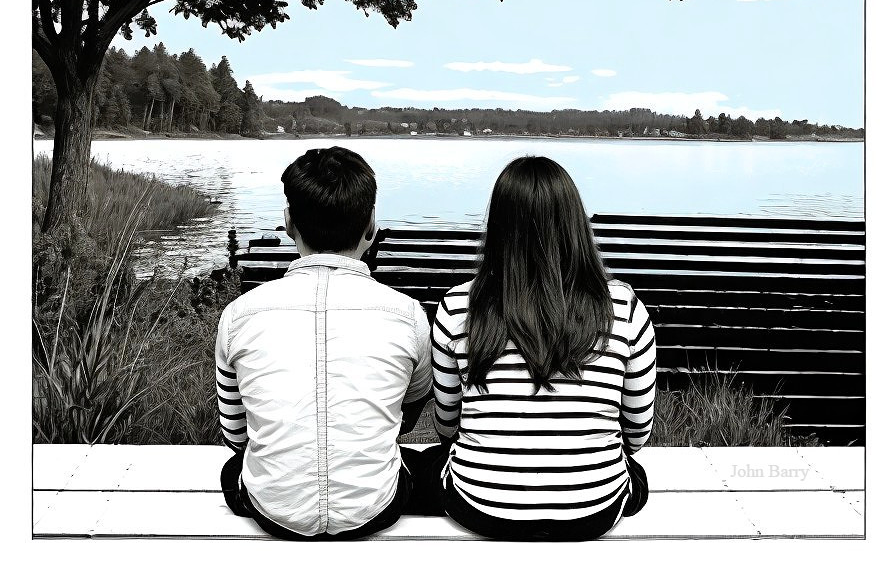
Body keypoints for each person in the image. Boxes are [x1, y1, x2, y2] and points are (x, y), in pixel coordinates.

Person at [430, 156, 656, 540]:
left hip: (479, 507)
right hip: (595, 510)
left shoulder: (456, 306)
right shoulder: (623, 306)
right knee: (636, 477)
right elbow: (636, 435)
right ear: (575, 225)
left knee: (429, 465)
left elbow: (447, 427)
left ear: (497, 227)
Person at [216, 146, 436, 539]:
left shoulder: (239, 314)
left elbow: (236, 434)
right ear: (371, 224)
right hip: (375, 510)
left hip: (272, 512)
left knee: (234, 471)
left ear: (288, 222)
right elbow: (411, 407)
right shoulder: (408, 315)